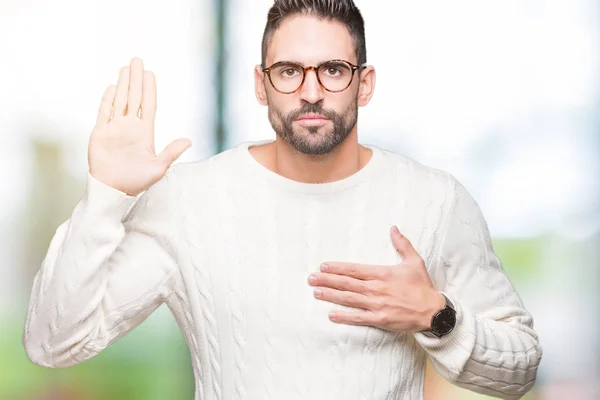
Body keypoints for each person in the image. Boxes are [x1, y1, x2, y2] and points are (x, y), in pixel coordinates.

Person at [22, 0, 542, 399]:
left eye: (333, 70)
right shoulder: (189, 200)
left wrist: (436, 315)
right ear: (261, 84)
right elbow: (53, 343)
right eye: (289, 71)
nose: (310, 91)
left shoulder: (435, 201)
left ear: (365, 84)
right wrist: (106, 197)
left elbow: (520, 370)